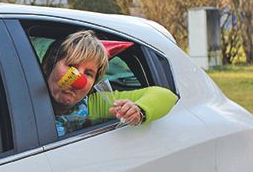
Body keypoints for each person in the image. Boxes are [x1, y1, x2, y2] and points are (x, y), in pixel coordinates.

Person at [40, 30, 178, 137]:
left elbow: (166, 95)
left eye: (88, 73)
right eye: (71, 66)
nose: (78, 79)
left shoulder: (94, 104)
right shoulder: (22, 97)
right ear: (49, 66)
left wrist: (137, 110)